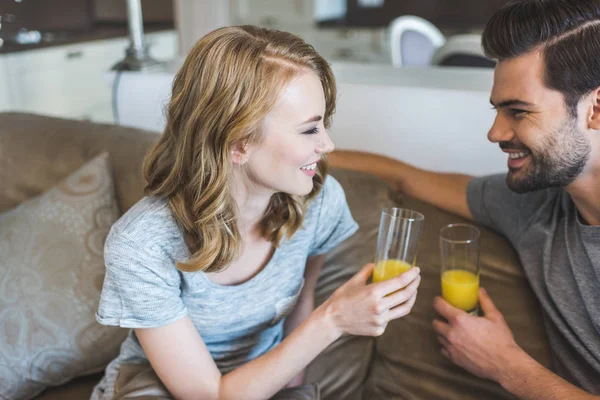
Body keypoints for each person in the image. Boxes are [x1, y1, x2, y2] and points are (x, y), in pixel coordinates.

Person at [90, 25, 421, 400]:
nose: (327, 144)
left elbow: (301, 302)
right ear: (238, 143)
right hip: (160, 388)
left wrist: (291, 392)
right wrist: (334, 319)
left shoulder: (318, 201)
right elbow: (208, 396)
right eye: (310, 129)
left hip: (262, 381)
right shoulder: (141, 244)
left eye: (323, 124)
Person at [331, 0, 600, 398]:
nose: (494, 133)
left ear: (595, 109)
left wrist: (506, 365)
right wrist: (294, 154)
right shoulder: (533, 206)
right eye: (497, 110)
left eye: (518, 111)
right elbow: (405, 178)